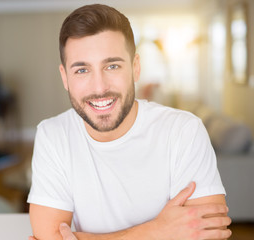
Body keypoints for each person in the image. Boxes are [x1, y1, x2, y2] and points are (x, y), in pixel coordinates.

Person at [27, 4, 232, 240]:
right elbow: (48, 237)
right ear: (65, 77)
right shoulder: (52, 135)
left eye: (112, 66)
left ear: (135, 68)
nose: (99, 87)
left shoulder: (183, 131)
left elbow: (210, 234)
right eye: (82, 70)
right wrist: (156, 232)